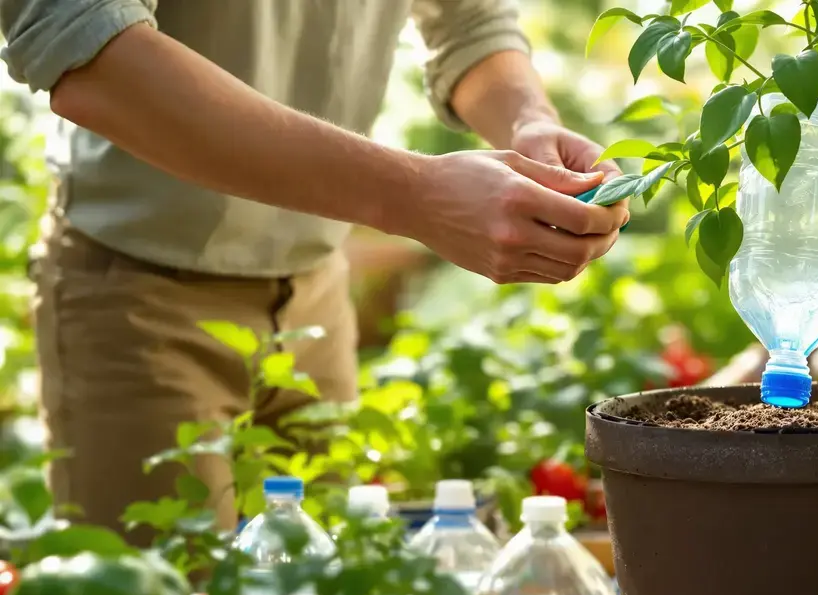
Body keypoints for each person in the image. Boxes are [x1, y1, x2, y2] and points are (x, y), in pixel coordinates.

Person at [0, 0, 630, 539]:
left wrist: (528, 121)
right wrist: (414, 195)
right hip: (140, 300)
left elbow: (465, 18)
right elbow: (89, 51)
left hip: (316, 298)